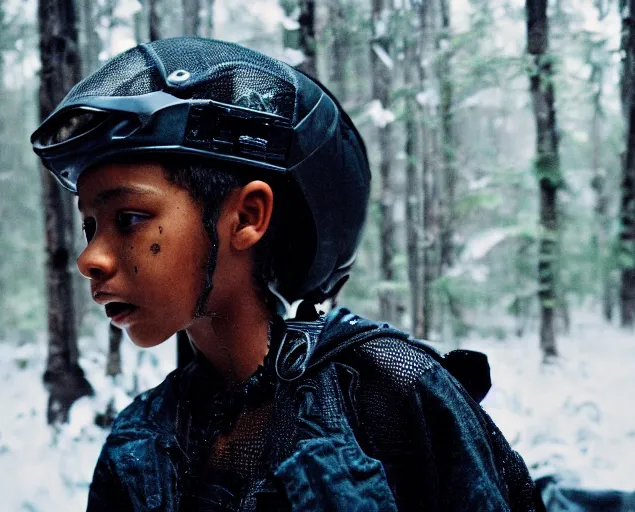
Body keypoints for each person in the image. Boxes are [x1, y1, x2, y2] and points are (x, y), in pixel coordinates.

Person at [31, 37, 545, 512]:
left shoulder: (385, 393)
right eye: (90, 226)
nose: (90, 258)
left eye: (129, 218)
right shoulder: (138, 441)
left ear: (248, 217)